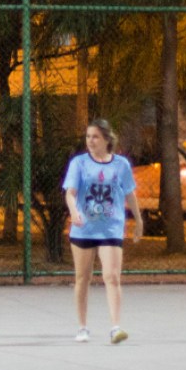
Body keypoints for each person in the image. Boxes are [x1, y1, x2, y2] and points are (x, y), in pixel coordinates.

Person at [63, 119, 142, 345]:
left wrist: (138, 219)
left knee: (112, 276)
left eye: (95, 137)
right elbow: (70, 192)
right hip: (83, 229)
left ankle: (116, 327)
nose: (90, 141)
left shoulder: (121, 165)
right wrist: (74, 212)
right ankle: (82, 327)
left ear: (107, 140)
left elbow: (130, 194)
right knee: (83, 278)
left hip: (111, 228)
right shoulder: (79, 163)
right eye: (88, 137)